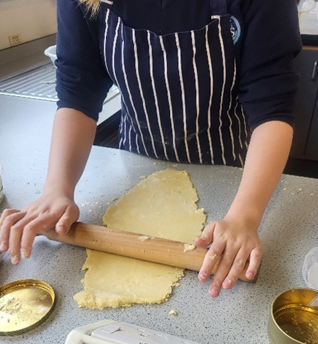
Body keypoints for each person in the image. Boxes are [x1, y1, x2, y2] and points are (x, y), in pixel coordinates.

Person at [0, 0, 301, 298]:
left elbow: (272, 105)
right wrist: (57, 188)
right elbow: (79, 88)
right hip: (137, 164)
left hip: (234, 174)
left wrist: (244, 217)